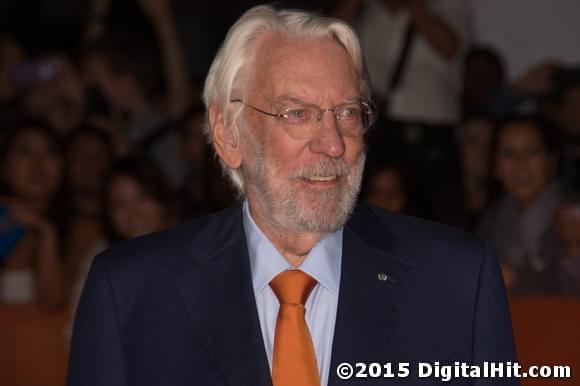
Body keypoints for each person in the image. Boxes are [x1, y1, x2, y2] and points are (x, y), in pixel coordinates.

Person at [68, 6, 517, 386]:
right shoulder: (130, 292)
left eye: (348, 113)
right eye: (298, 114)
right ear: (228, 134)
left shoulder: (458, 280)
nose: (334, 143)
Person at [477, 116, 563, 295]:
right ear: (496, 167)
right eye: (509, 153)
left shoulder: (572, 214)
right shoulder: (489, 223)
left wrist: (514, 279)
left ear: (551, 160)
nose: (521, 164)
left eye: (532, 152)